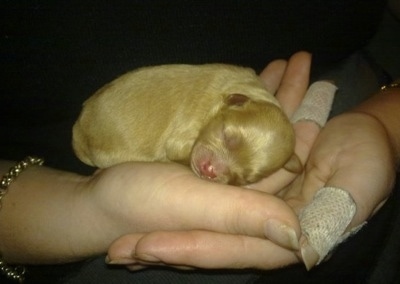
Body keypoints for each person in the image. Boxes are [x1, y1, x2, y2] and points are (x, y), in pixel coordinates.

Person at [1, 1, 399, 283]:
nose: (213, 168)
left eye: (237, 176)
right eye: (226, 138)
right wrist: (81, 204)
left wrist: (383, 121)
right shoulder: (212, 99)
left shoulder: (238, 97)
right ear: (233, 101)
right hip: (89, 160)